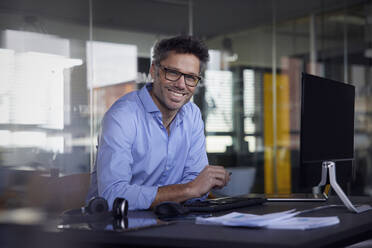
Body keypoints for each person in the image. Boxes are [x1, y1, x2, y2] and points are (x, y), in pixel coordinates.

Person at [86, 35, 230, 210]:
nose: (181, 85)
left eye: (191, 77)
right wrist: (189, 189)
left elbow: (196, 185)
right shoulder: (122, 116)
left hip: (171, 221)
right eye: (173, 73)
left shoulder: (192, 115)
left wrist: (201, 186)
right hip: (115, 227)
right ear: (154, 71)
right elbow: (113, 195)